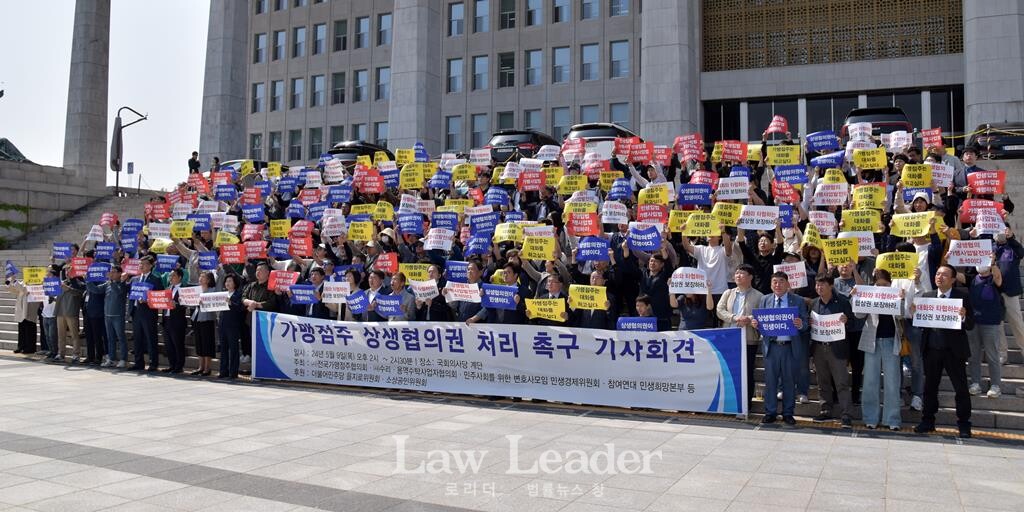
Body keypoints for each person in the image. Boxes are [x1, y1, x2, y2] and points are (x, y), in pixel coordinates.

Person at [913, 264, 974, 438]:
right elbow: (921, 322)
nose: (939, 277)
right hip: (932, 349)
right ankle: (928, 421)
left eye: (944, 275)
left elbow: (971, 324)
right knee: (930, 388)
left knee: (961, 389)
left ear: (953, 279)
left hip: (954, 351)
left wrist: (963, 315)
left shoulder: (962, 297)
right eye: (938, 274)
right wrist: (915, 313)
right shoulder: (928, 296)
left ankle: (963, 424)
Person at [751, 271, 809, 426]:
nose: (778, 285)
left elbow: (805, 323)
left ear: (788, 284)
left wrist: (800, 324)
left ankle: (788, 413)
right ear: (771, 284)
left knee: (789, 382)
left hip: (790, 347)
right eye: (775, 282)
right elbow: (760, 321)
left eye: (781, 281)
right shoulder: (765, 300)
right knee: (770, 382)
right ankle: (770, 412)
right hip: (771, 347)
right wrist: (756, 325)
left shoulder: (797, 300)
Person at [855, 269, 904, 431]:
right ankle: (870, 417)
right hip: (872, 341)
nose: (882, 287)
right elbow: (859, 314)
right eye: (878, 284)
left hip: (891, 341)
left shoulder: (897, 295)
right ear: (873, 285)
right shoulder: (870, 295)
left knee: (892, 382)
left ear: (891, 284)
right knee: (870, 381)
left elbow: (903, 315)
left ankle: (892, 419)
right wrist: (857, 296)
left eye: (885, 284)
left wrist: (901, 300)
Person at [808, 274, 854, 428]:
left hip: (837, 348)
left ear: (831, 286)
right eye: (817, 285)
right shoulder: (814, 303)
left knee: (841, 382)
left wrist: (846, 321)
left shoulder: (842, 302)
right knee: (823, 382)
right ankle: (825, 410)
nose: (819, 288)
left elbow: (853, 323)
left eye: (822, 285)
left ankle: (846, 414)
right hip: (819, 348)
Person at [716, 264, 764, 407]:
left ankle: (745, 404)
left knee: (747, 372)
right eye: (736, 273)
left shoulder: (759, 296)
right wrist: (734, 318)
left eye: (742, 273)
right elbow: (719, 310)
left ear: (750, 277)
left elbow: (760, 315)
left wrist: (748, 319)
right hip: (729, 338)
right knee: (729, 371)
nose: (738, 276)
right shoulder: (728, 293)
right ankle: (729, 402)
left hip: (748, 339)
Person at [967, 260, 1003, 398]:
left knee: (992, 355)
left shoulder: (993, 278)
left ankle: (995, 385)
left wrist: (993, 263)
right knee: (973, 354)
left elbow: (998, 279)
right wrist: (948, 259)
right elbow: (955, 275)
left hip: (990, 322)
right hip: (973, 322)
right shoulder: (972, 278)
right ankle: (975, 382)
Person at [129, 257, 164, 372]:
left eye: (143, 264)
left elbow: (160, 296)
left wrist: (148, 300)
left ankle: (153, 363)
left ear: (150, 266)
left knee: (150, 338)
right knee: (137, 339)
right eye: (140, 264)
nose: (141, 266)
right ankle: (139, 362)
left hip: (148, 313)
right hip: (136, 312)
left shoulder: (155, 279)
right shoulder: (135, 279)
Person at [218, 274, 246, 380]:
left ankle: (233, 372)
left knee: (233, 349)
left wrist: (231, 302)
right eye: (226, 281)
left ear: (235, 283)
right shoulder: (222, 294)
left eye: (230, 281)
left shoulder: (238, 294)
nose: (227, 283)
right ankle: (223, 371)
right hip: (223, 324)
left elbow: (240, 307)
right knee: (224, 349)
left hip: (233, 325)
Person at [102, 266, 129, 368]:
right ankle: (112, 359)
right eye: (111, 272)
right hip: (108, 315)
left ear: (119, 273)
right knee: (110, 338)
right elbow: (96, 289)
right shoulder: (108, 284)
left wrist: (112, 281)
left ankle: (123, 359)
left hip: (118, 315)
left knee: (121, 337)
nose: (111, 274)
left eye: (114, 272)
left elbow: (118, 293)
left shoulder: (122, 284)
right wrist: (88, 280)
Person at [191, 271, 218, 376]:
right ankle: (200, 366)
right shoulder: (197, 290)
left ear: (209, 280)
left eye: (203, 277)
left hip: (207, 319)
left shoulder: (212, 290)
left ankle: (207, 367)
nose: (200, 278)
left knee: (207, 343)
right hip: (197, 317)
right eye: (200, 276)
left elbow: (214, 303)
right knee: (199, 343)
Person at [161, 268, 187, 374]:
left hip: (177, 320)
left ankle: (179, 366)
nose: (171, 278)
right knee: (169, 344)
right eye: (170, 276)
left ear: (180, 277)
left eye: (173, 276)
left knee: (178, 344)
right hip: (166, 319)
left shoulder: (184, 289)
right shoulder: (168, 288)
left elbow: (186, 304)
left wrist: (177, 305)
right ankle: (172, 365)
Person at [6, 276, 40, 354]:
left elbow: (22, 289)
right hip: (22, 308)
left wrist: (14, 281)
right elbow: (16, 290)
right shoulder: (24, 281)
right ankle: (21, 346)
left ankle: (30, 348)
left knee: (30, 327)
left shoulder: (36, 282)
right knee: (22, 328)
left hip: (30, 307)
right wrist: (9, 283)